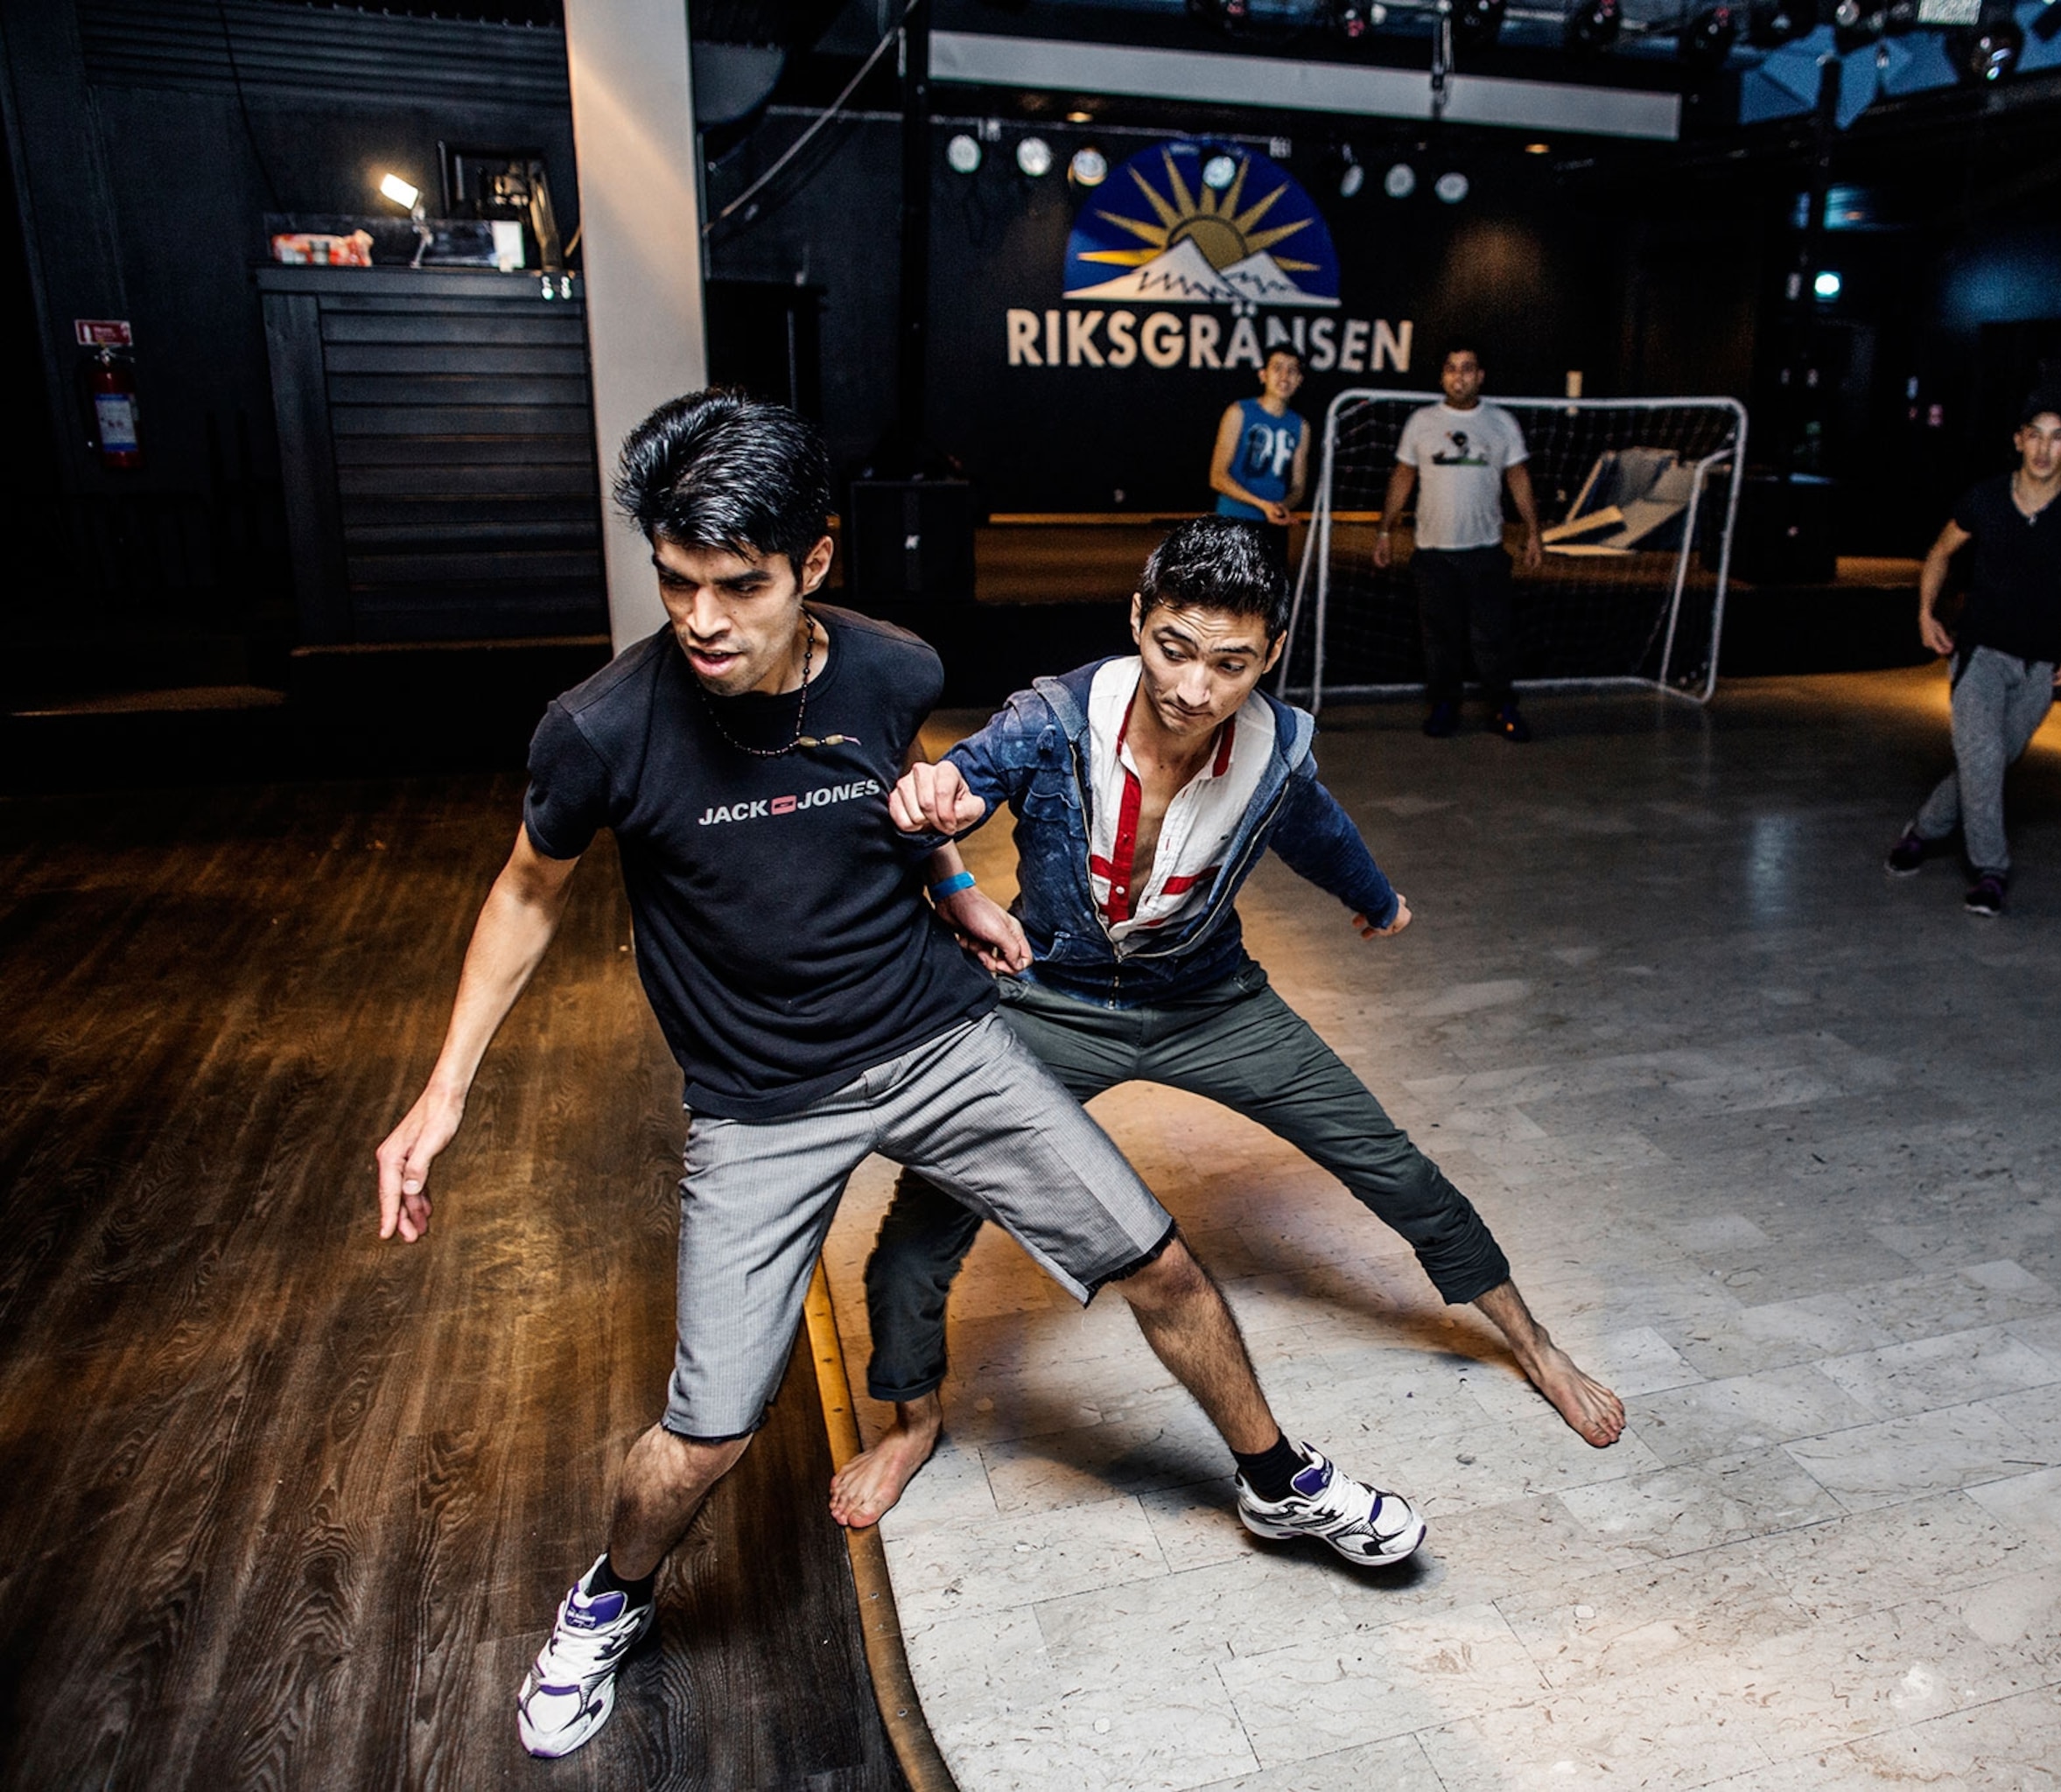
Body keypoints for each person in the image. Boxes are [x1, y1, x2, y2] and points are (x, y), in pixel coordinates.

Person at [372, 394, 1424, 1764]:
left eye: (739, 586)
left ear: (814, 563)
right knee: (707, 1434)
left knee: (1160, 1266)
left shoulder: (891, 665)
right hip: (760, 1102)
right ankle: (607, 1601)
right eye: (677, 582)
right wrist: (445, 1089)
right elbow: (525, 892)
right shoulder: (601, 729)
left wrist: (951, 891)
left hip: (941, 1042)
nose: (702, 620)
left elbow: (888, 785)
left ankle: (1278, 1482)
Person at [830, 517, 1625, 1528]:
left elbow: (1322, 832)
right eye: (1173, 647)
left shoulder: (1275, 753)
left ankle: (1533, 1339)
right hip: (1055, 999)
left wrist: (1376, 899)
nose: (1195, 689)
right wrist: (936, 806)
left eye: (1231, 663)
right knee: (919, 1226)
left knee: (1390, 1162)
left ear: (1272, 655)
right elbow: (958, 789)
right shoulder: (1050, 718)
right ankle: (908, 1417)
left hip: (1212, 1001)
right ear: (1137, 617)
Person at [1884, 389, 2061, 917]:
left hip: (2042, 665)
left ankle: (1922, 830)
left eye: (2057, 437)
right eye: (2034, 435)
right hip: (1979, 654)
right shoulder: (1987, 498)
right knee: (1985, 758)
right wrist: (1926, 612)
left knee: (1990, 762)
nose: (2043, 449)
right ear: (2018, 440)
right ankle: (1992, 870)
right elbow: (1940, 553)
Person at [1373, 343, 1544, 742]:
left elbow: (1518, 479)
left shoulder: (1501, 423)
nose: (1459, 376)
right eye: (1451, 368)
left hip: (1484, 551)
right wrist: (1384, 530)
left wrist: (1534, 532)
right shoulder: (1422, 421)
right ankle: (1444, 706)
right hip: (1433, 553)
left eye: (1467, 368)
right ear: (1442, 376)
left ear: (1480, 376)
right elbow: (1403, 478)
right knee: (1439, 639)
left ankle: (1502, 706)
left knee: (1493, 638)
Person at [1210, 344, 1310, 580]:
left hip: (1272, 528)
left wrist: (1282, 506)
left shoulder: (1300, 426)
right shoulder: (1239, 412)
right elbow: (1217, 476)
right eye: (1277, 368)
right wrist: (1262, 504)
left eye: (1292, 370)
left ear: (1299, 380)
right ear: (1263, 375)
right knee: (1227, 600)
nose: (1284, 376)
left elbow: (1298, 486)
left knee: (1267, 604)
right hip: (1232, 521)